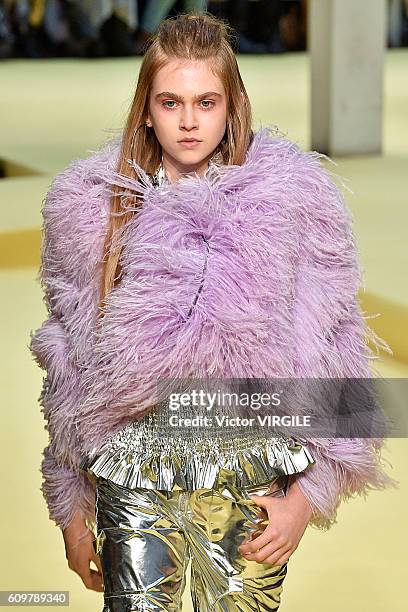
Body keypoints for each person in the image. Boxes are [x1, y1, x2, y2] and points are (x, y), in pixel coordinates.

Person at [29, 11, 398, 612]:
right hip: (133, 476)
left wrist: (310, 496)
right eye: (170, 103)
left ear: (233, 105)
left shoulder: (288, 202)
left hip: (250, 480)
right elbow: (68, 367)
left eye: (206, 102)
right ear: (145, 108)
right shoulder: (91, 211)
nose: (189, 121)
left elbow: (334, 342)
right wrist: (71, 502)